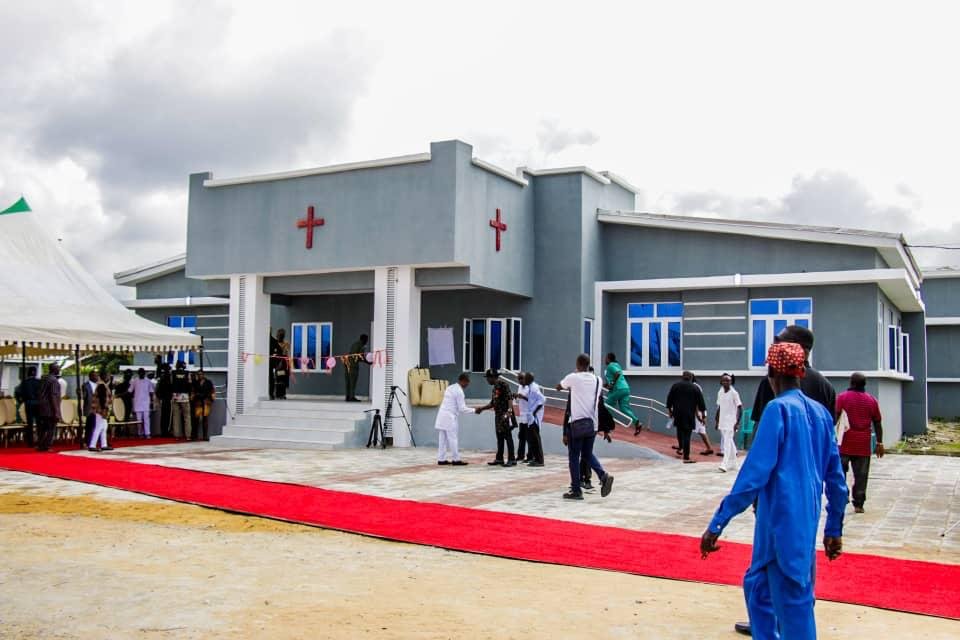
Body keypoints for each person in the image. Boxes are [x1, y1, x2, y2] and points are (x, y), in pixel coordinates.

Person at [700, 342, 847, 640]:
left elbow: (752, 476)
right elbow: (837, 482)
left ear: (771, 373)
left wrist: (717, 523)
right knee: (757, 587)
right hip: (797, 525)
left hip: (782, 527)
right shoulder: (821, 414)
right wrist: (833, 529)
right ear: (801, 372)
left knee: (794, 604)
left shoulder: (778, 410)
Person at [736, 323, 836, 636]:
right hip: (807, 495)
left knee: (765, 561)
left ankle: (771, 620)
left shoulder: (775, 386)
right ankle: (797, 611)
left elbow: (761, 439)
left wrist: (752, 491)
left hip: (777, 492)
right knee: (800, 563)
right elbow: (828, 445)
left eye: (780, 341)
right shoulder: (825, 387)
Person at [556, 354, 614, 500]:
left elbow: (559, 387)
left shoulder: (573, 378)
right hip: (592, 425)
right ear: (588, 365)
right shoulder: (598, 380)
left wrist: (570, 381)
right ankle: (603, 475)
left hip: (577, 424)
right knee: (587, 454)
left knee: (574, 457)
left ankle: (576, 490)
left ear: (577, 364)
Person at [836, 372, 883, 514]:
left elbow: (835, 416)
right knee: (861, 476)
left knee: (840, 473)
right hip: (863, 444)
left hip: (844, 443)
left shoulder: (842, 398)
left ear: (852, 383)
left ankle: (842, 496)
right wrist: (879, 442)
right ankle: (859, 504)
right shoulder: (871, 400)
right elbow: (877, 422)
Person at [476, 369, 516, 466]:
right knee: (500, 437)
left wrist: (509, 411)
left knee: (508, 437)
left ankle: (512, 459)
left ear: (493, 377)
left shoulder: (503, 385)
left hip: (505, 415)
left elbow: (510, 398)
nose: (487, 380)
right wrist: (482, 408)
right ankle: (499, 459)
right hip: (498, 416)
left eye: (488, 378)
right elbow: (492, 403)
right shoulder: (494, 388)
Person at [666, 371, 707, 463]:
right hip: (689, 414)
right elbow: (701, 403)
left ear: (682, 377)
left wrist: (670, 411)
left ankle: (681, 447)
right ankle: (686, 456)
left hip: (677, 413)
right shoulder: (695, 388)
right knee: (687, 435)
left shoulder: (675, 386)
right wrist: (703, 416)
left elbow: (669, 399)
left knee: (679, 431)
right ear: (691, 377)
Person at [434, 373, 474, 466]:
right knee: (453, 438)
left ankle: (441, 459)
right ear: (463, 381)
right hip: (450, 417)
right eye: (467, 382)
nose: (467, 385)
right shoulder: (459, 391)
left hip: (442, 415)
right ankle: (456, 460)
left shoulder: (450, 387)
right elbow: (462, 408)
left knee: (442, 439)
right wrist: (474, 410)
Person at [602, 353, 642, 434]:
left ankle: (607, 426)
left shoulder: (610, 365)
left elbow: (617, 374)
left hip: (618, 389)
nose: (604, 360)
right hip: (625, 388)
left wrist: (612, 384)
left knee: (607, 406)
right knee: (624, 408)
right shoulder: (617, 365)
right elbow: (615, 377)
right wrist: (605, 385)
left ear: (609, 359)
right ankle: (637, 422)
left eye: (605, 358)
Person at [714, 374, 743, 472]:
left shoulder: (734, 393)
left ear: (731, 382)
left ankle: (724, 464)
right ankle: (735, 463)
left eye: (728, 380)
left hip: (731, 422)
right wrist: (717, 420)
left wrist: (737, 422)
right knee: (729, 441)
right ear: (721, 382)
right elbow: (719, 407)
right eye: (724, 380)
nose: (726, 382)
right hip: (722, 421)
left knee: (726, 442)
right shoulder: (720, 392)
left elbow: (740, 408)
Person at [517, 372, 545, 467]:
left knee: (536, 438)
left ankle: (540, 460)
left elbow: (542, 400)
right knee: (532, 438)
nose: (523, 380)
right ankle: (536, 459)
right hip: (530, 417)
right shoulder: (530, 387)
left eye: (524, 378)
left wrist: (534, 412)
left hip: (534, 417)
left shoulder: (534, 388)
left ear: (528, 379)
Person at [36, 364, 62, 452]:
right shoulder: (54, 381)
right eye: (58, 368)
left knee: (43, 428)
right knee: (51, 427)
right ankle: (47, 445)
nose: (59, 370)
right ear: (54, 370)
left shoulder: (44, 379)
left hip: (41, 407)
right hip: (49, 408)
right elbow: (53, 396)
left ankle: (40, 445)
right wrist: (56, 411)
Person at [691, 373, 716, 455]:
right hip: (700, 411)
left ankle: (683, 448)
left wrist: (697, 414)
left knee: (692, 430)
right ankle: (709, 448)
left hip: (698, 412)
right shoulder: (696, 386)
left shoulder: (694, 387)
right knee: (701, 430)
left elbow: (696, 401)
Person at [17, 366, 41, 447]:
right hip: (38, 403)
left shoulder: (24, 382)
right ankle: (39, 440)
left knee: (29, 423)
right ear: (35, 373)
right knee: (39, 423)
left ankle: (30, 442)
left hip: (28, 403)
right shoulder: (39, 382)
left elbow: (18, 392)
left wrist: (21, 401)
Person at [87, 378, 113, 452]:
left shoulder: (102, 385)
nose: (108, 378)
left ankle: (104, 445)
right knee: (98, 427)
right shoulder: (102, 385)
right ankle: (92, 445)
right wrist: (104, 409)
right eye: (107, 376)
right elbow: (102, 398)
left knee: (104, 427)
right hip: (101, 410)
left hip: (101, 409)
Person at [131, 368, 155, 438]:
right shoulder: (135, 381)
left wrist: (151, 402)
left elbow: (151, 392)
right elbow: (130, 391)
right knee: (139, 420)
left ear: (144, 373)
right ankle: (140, 433)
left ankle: (147, 433)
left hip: (146, 403)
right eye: (140, 373)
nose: (141, 374)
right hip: (137, 403)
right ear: (138, 373)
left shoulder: (148, 381)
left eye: (142, 373)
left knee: (146, 419)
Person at [191, 371, 216, 441]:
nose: (200, 376)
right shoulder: (195, 382)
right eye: (198, 374)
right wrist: (193, 398)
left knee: (205, 418)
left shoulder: (208, 382)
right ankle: (195, 435)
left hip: (206, 401)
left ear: (204, 375)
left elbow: (212, 390)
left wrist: (212, 398)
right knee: (196, 419)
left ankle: (205, 436)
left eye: (201, 374)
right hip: (198, 401)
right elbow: (193, 391)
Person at [170, 361, 192, 439]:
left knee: (176, 417)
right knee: (187, 417)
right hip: (185, 396)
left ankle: (177, 435)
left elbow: (171, 384)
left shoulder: (173, 373)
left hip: (175, 396)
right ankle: (188, 436)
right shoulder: (187, 373)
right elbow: (190, 384)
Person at [345, 334, 369, 401]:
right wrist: (368, 362)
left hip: (347, 363)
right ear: (364, 339)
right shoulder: (361, 345)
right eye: (366, 340)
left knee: (348, 381)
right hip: (353, 365)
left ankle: (348, 396)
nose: (367, 341)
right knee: (353, 381)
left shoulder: (355, 344)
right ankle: (352, 397)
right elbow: (360, 357)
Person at [81, 371, 99, 448]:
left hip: (98, 409)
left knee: (97, 426)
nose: (97, 377)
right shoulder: (85, 385)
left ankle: (95, 442)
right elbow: (84, 396)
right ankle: (87, 442)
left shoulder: (99, 385)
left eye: (97, 376)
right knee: (90, 426)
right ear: (90, 377)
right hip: (90, 408)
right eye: (95, 376)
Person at [155, 365, 173, 437]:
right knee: (167, 416)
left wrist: (160, 398)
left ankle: (163, 431)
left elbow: (157, 390)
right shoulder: (169, 379)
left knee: (164, 416)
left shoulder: (162, 378)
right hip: (167, 399)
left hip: (164, 399)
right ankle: (166, 431)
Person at [273, 329, 290, 400]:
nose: (280, 336)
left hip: (283, 363)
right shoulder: (276, 343)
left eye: (281, 335)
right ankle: (279, 394)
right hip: (278, 363)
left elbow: (286, 353)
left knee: (282, 378)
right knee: (279, 378)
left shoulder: (286, 344)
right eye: (280, 335)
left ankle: (281, 394)